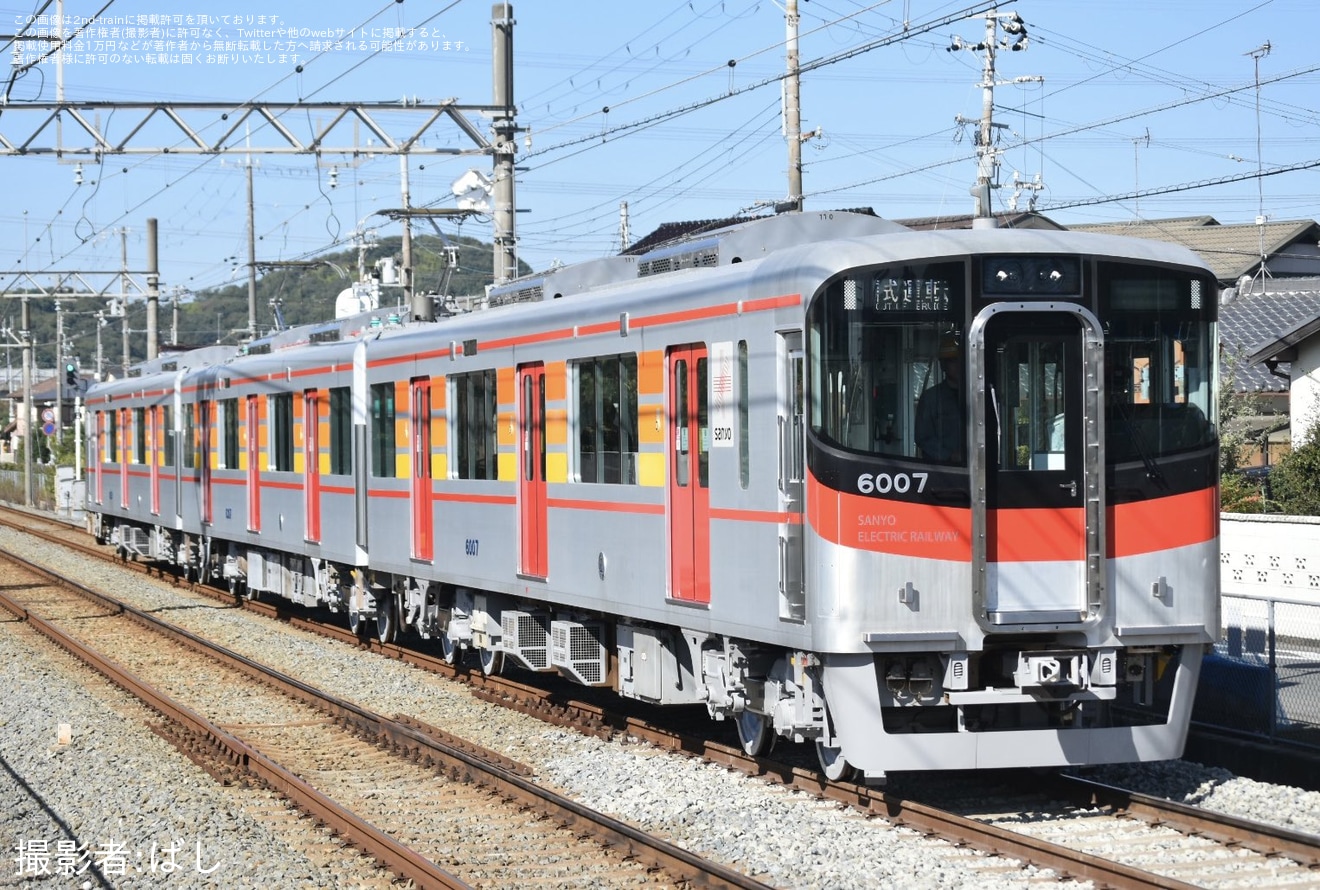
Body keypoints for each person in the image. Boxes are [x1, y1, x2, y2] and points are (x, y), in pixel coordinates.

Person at [915, 336, 965, 462]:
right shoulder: (930, 399)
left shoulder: (978, 396)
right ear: (943, 365)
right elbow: (923, 438)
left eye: (961, 360)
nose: (958, 365)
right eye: (953, 361)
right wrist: (949, 455)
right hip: (942, 471)